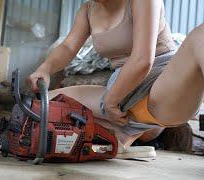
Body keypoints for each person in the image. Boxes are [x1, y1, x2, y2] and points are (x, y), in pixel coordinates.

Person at [28, 0, 204, 152]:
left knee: (201, 35)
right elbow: (68, 47)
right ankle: (118, 139)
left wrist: (111, 102)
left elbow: (142, 61)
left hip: (162, 88)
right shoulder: (87, 10)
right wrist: (45, 69)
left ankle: (123, 133)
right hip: (122, 97)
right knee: (40, 106)